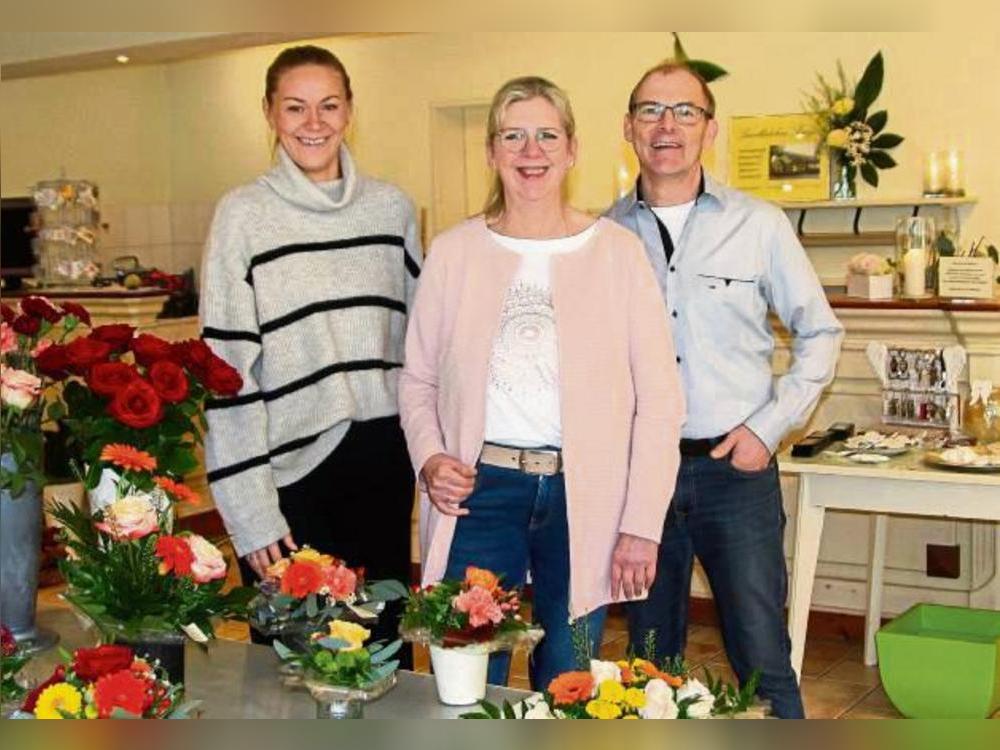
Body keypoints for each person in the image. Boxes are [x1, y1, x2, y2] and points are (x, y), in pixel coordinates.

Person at [399, 76, 685, 690]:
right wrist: (429, 456)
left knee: (569, 677)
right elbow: (417, 379)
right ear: (492, 151)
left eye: (547, 135)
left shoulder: (618, 253)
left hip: (587, 498)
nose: (532, 151)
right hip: (478, 494)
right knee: (467, 676)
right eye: (514, 136)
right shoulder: (453, 252)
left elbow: (661, 402)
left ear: (573, 148)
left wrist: (642, 521)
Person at [607, 61, 845, 718]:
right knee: (649, 666)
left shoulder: (760, 226)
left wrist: (767, 430)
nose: (667, 126)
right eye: (651, 110)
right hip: (640, 482)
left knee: (762, 658)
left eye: (686, 111)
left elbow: (821, 333)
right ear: (628, 127)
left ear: (710, 130)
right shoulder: (601, 236)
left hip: (733, 476)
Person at [200, 46, 421, 662]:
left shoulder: (391, 208)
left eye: (328, 105)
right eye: (295, 107)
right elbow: (226, 374)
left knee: (382, 654)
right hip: (291, 474)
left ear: (350, 110)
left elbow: (421, 347)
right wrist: (250, 512)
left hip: (382, 461)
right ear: (269, 114)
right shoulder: (242, 216)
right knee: (296, 662)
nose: (313, 122)